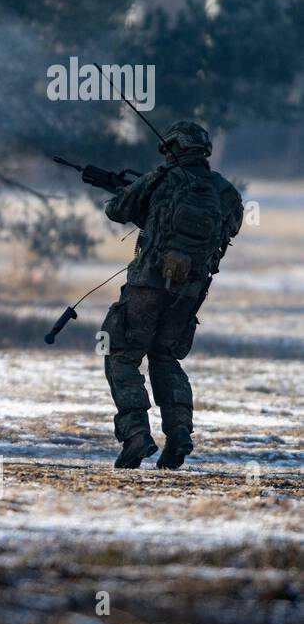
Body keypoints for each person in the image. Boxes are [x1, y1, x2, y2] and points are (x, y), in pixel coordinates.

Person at [100, 121, 243, 470]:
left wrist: (135, 193)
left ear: (173, 148)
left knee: (120, 352)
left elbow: (116, 210)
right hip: (191, 290)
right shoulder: (226, 191)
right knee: (165, 357)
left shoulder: (159, 179)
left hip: (147, 285)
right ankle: (179, 434)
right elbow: (232, 226)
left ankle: (135, 435)